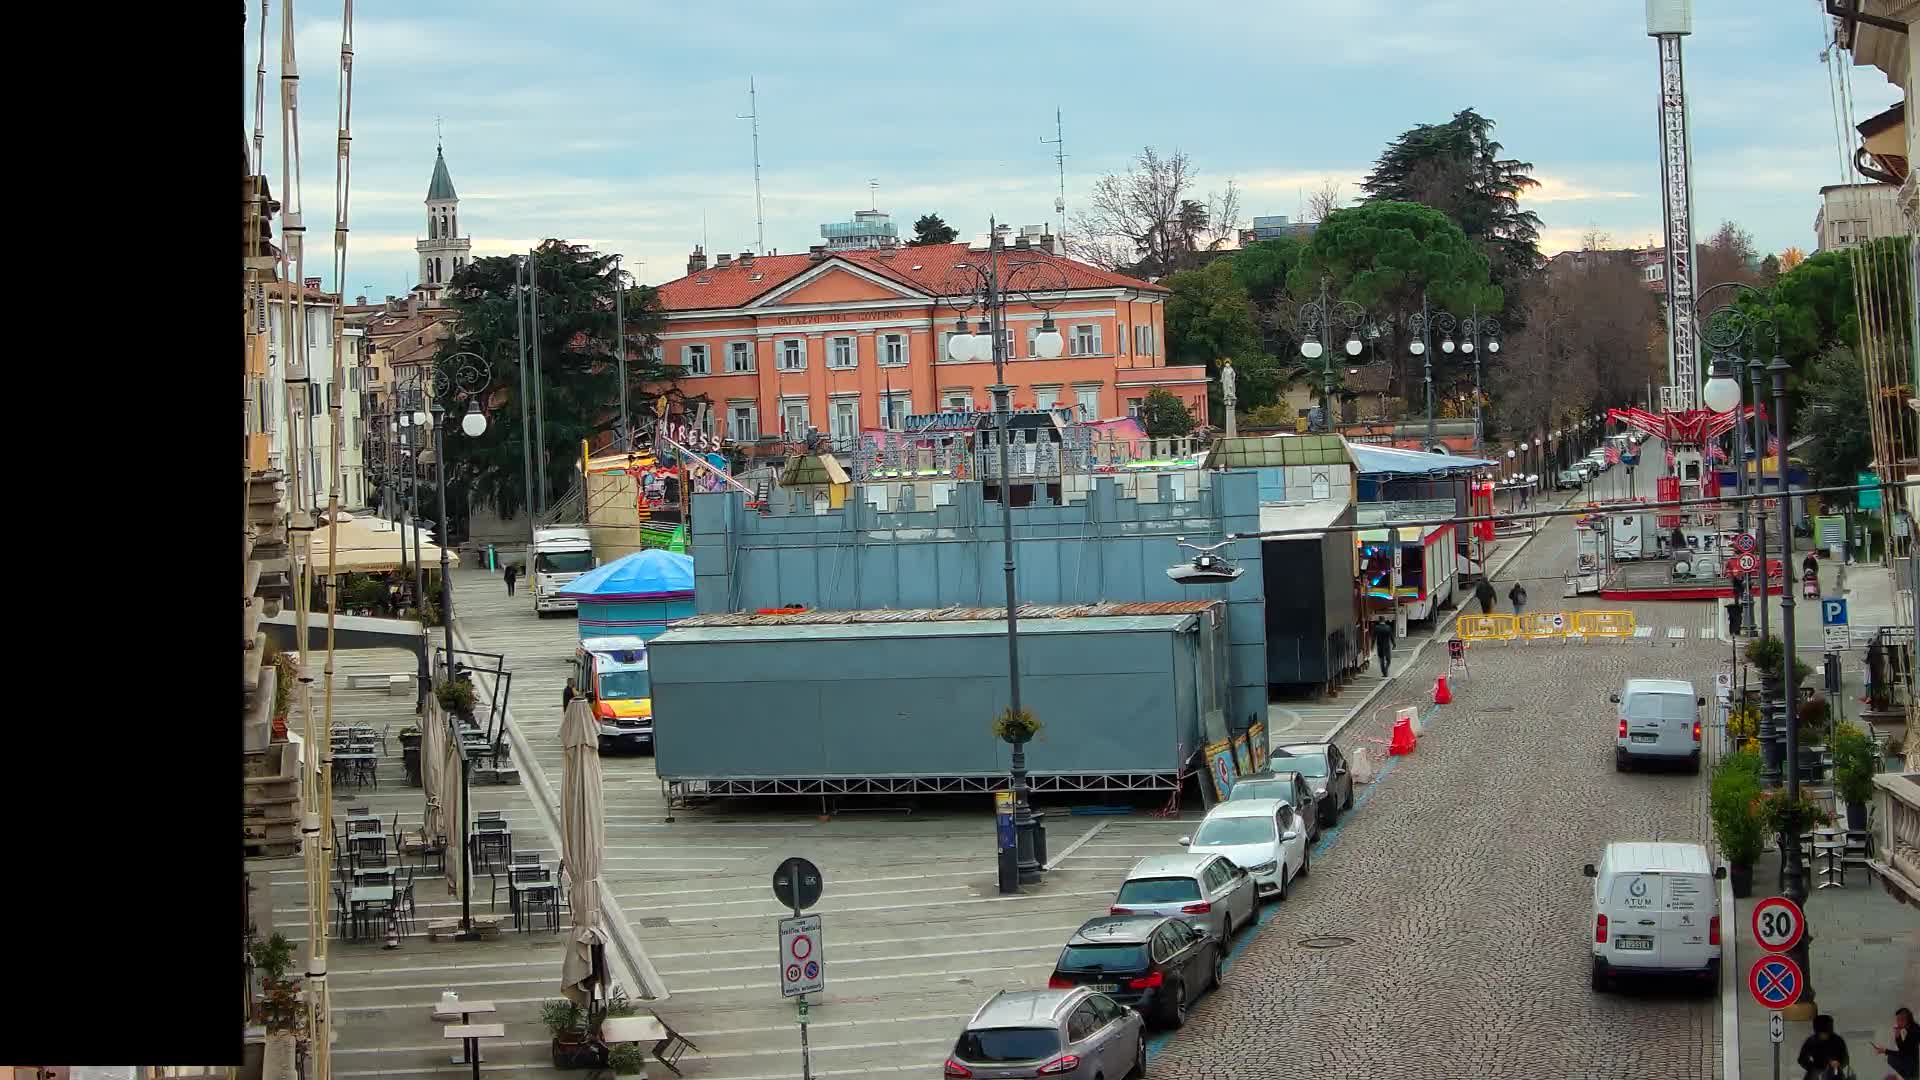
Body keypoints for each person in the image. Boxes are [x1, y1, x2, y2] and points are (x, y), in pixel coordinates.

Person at [1799, 1013, 1851, 1080]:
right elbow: (1802, 1059)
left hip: (1834, 1072)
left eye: (1826, 1033)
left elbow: (1845, 1057)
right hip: (1815, 1071)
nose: (1824, 1035)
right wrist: (1812, 1068)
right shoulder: (1811, 1041)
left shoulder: (1837, 1040)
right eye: (1821, 1033)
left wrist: (1838, 1063)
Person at [1874, 1007, 1917, 1080]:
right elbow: (1902, 1049)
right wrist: (1898, 1036)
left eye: (1898, 1020)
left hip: (1913, 1068)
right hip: (1910, 1064)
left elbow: (1903, 1053)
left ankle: (1910, 1077)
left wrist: (1885, 1051)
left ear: (1905, 1020)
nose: (1896, 1023)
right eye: (1896, 1020)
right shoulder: (1911, 1029)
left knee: (1891, 1058)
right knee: (1891, 1058)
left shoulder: (1914, 1032)